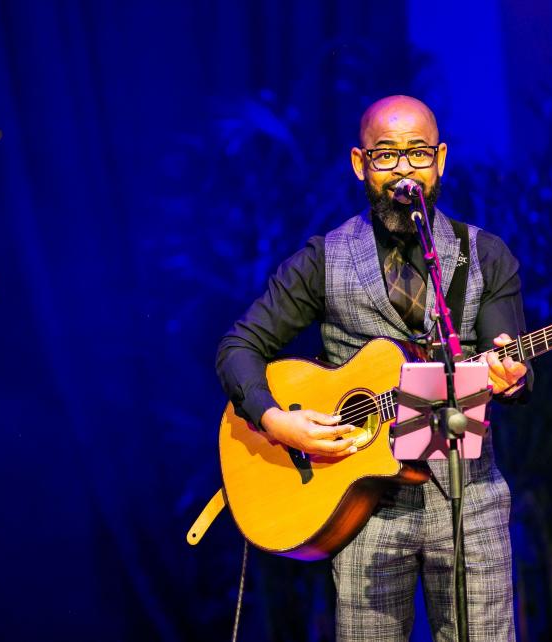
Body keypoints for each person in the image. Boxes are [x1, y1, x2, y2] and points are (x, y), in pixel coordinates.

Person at [216, 95, 530, 641]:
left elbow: (511, 360)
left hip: (469, 502)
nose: (404, 168)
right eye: (386, 155)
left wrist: (513, 375)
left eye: (418, 153)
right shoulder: (322, 259)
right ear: (360, 163)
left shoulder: (486, 255)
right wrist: (274, 419)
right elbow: (239, 346)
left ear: (441, 160)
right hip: (361, 505)